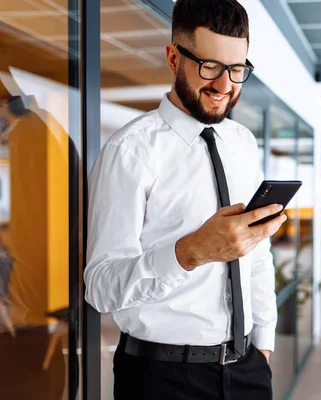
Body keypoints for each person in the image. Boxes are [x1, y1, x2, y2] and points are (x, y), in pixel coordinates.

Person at [84, 1, 284, 399]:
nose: (225, 85)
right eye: (209, 67)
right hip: (160, 378)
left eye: (237, 69)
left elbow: (257, 256)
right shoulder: (130, 151)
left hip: (247, 370)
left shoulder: (243, 143)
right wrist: (190, 252)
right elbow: (100, 288)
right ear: (173, 57)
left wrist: (263, 344)